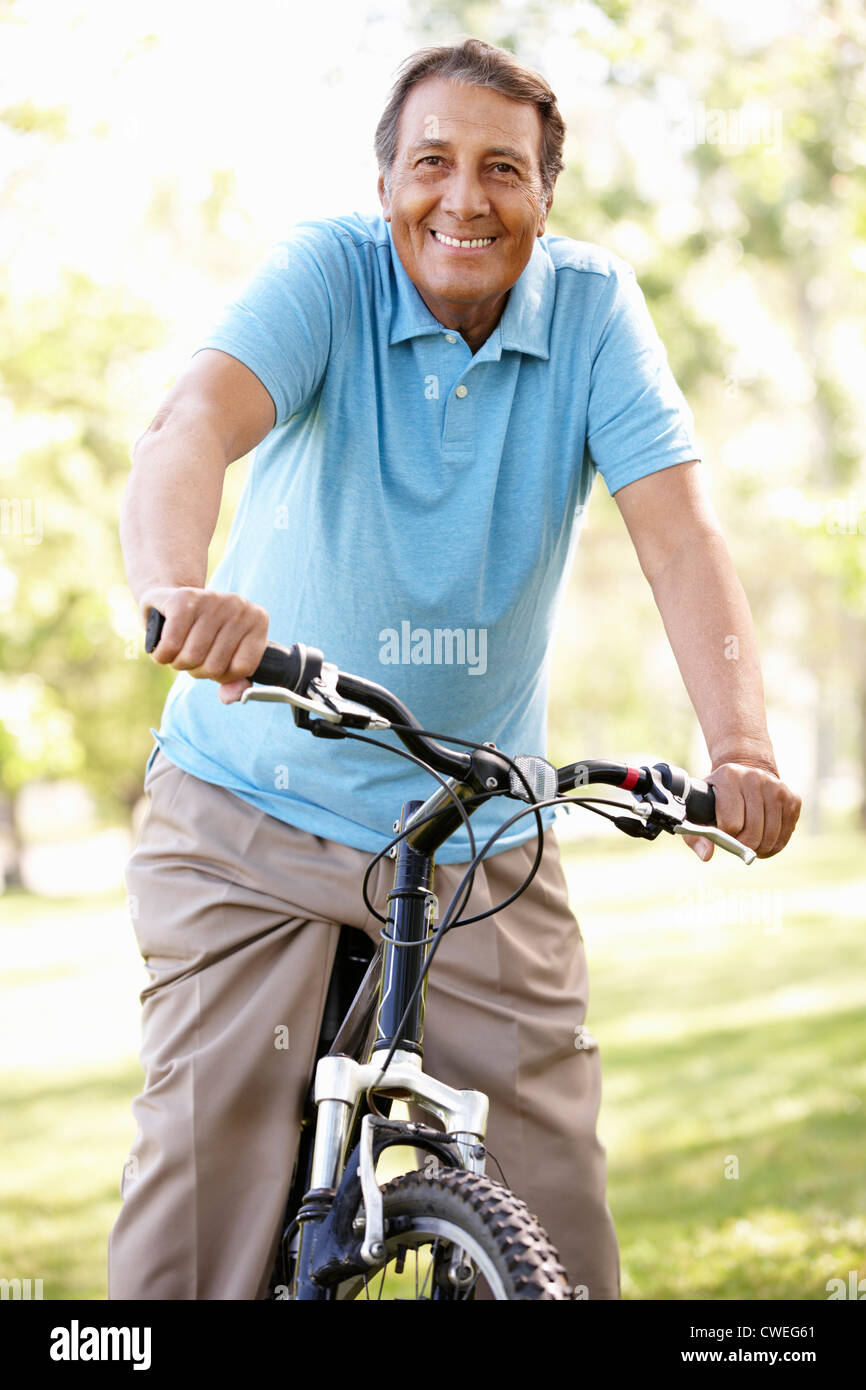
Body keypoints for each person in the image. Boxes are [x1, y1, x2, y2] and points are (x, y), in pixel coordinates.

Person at [108, 38, 801, 1300]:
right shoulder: (326, 274)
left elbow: (680, 538)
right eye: (431, 162)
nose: (462, 198)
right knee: (201, 1200)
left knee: (551, 1211)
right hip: (248, 807)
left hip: (476, 824)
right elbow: (190, 424)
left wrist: (739, 748)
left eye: (502, 170)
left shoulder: (594, 313)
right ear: (385, 186)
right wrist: (175, 588)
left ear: (546, 195)